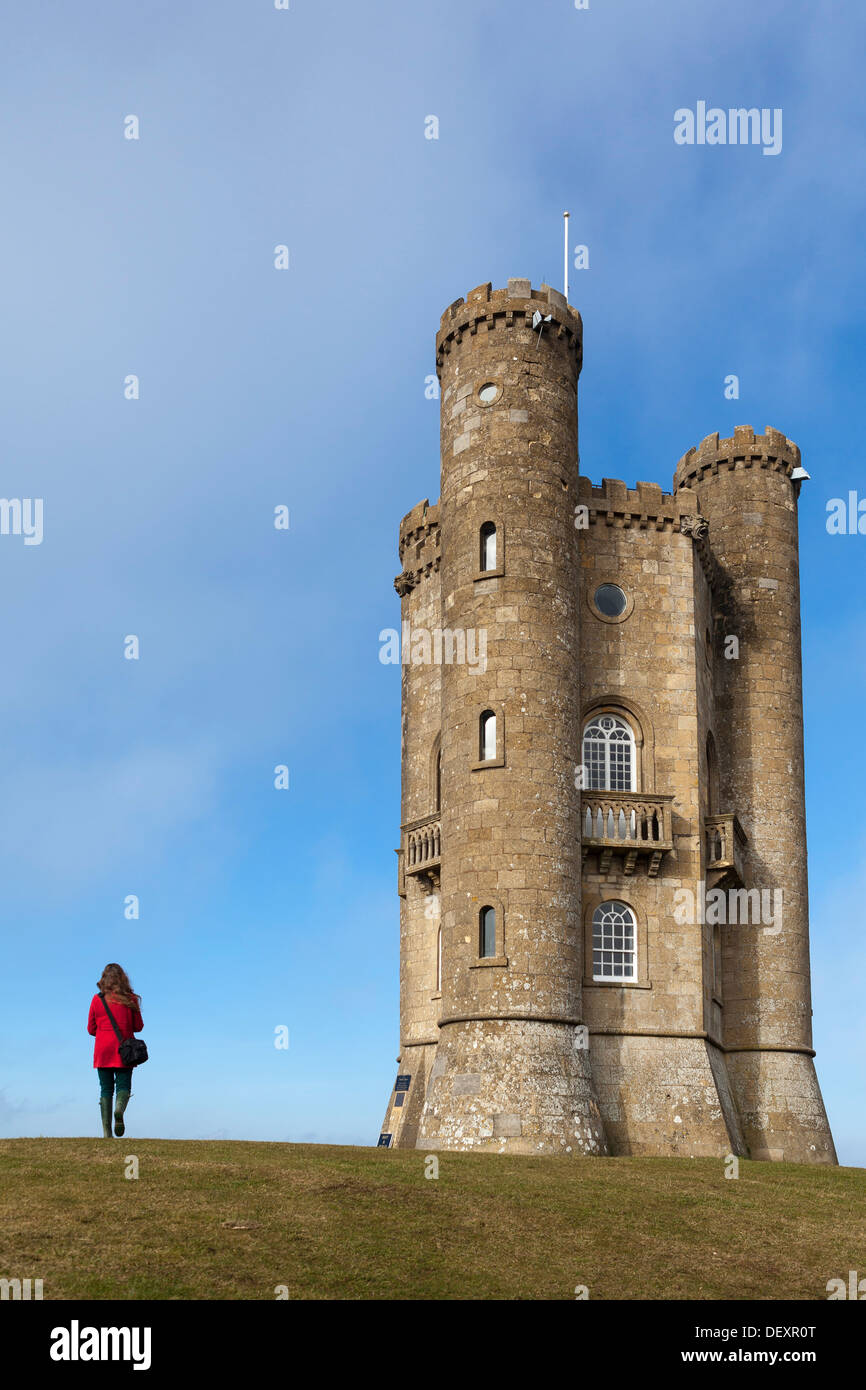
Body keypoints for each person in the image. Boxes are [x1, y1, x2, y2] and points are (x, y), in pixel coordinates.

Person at [87, 964, 143, 1138]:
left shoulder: (97, 999)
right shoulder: (130, 999)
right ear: (123, 978)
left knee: (105, 1090)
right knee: (123, 1086)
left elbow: (90, 1029)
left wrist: (104, 1033)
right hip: (124, 1051)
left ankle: (106, 1133)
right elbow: (138, 1026)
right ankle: (119, 1110)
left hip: (103, 1051)